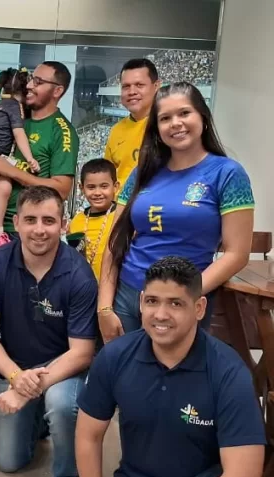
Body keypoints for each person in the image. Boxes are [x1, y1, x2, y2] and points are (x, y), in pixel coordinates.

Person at [76, 256, 266, 477]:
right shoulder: (114, 357)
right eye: (152, 301)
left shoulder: (229, 372)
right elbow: (88, 437)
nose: (160, 315)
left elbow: (244, 473)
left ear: (199, 308)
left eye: (175, 303)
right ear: (141, 302)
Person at [98, 82, 255, 342]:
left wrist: (184, 295)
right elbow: (116, 242)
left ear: (202, 118)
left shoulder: (228, 174)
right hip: (128, 294)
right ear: (157, 129)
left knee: (173, 380)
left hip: (185, 300)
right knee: (123, 377)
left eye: (184, 113)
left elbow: (237, 254)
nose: (175, 123)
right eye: (165, 118)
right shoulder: (142, 173)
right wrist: (104, 307)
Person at [0, 186, 97, 476]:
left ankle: (67, 473)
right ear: (16, 222)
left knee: (62, 405)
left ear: (63, 225)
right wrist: (16, 378)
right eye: (30, 220)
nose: (39, 230)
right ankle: (38, 418)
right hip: (17, 366)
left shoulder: (79, 275)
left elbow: (82, 352)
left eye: (49, 221)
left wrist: (30, 390)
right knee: (9, 462)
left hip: (63, 367)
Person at [0, 61, 80, 257]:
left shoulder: (62, 131)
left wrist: (10, 171)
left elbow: (62, 189)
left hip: (21, 232)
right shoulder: (16, 112)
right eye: (31, 79)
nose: (29, 85)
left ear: (57, 91)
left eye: (38, 82)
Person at [0, 67, 39, 249]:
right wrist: (30, 158)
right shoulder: (14, 107)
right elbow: (19, 134)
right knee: (4, 187)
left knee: (8, 173)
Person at [104, 58, 162, 192]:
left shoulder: (167, 127)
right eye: (126, 86)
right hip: (119, 209)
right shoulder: (116, 130)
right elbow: (107, 177)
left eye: (139, 85)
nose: (132, 92)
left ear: (156, 86)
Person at [66, 159, 119, 280]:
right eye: (91, 187)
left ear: (115, 187)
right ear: (81, 188)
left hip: (116, 285)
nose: (97, 192)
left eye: (104, 186)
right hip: (84, 285)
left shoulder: (122, 217)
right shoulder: (77, 221)